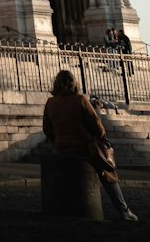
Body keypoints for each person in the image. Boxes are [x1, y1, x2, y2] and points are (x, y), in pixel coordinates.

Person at [42, 68, 138, 221]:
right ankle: (123, 210)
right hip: (85, 148)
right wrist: (101, 138)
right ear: (74, 83)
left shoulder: (50, 103)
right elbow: (96, 125)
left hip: (62, 147)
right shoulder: (80, 100)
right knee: (108, 172)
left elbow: (46, 128)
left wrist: (58, 140)